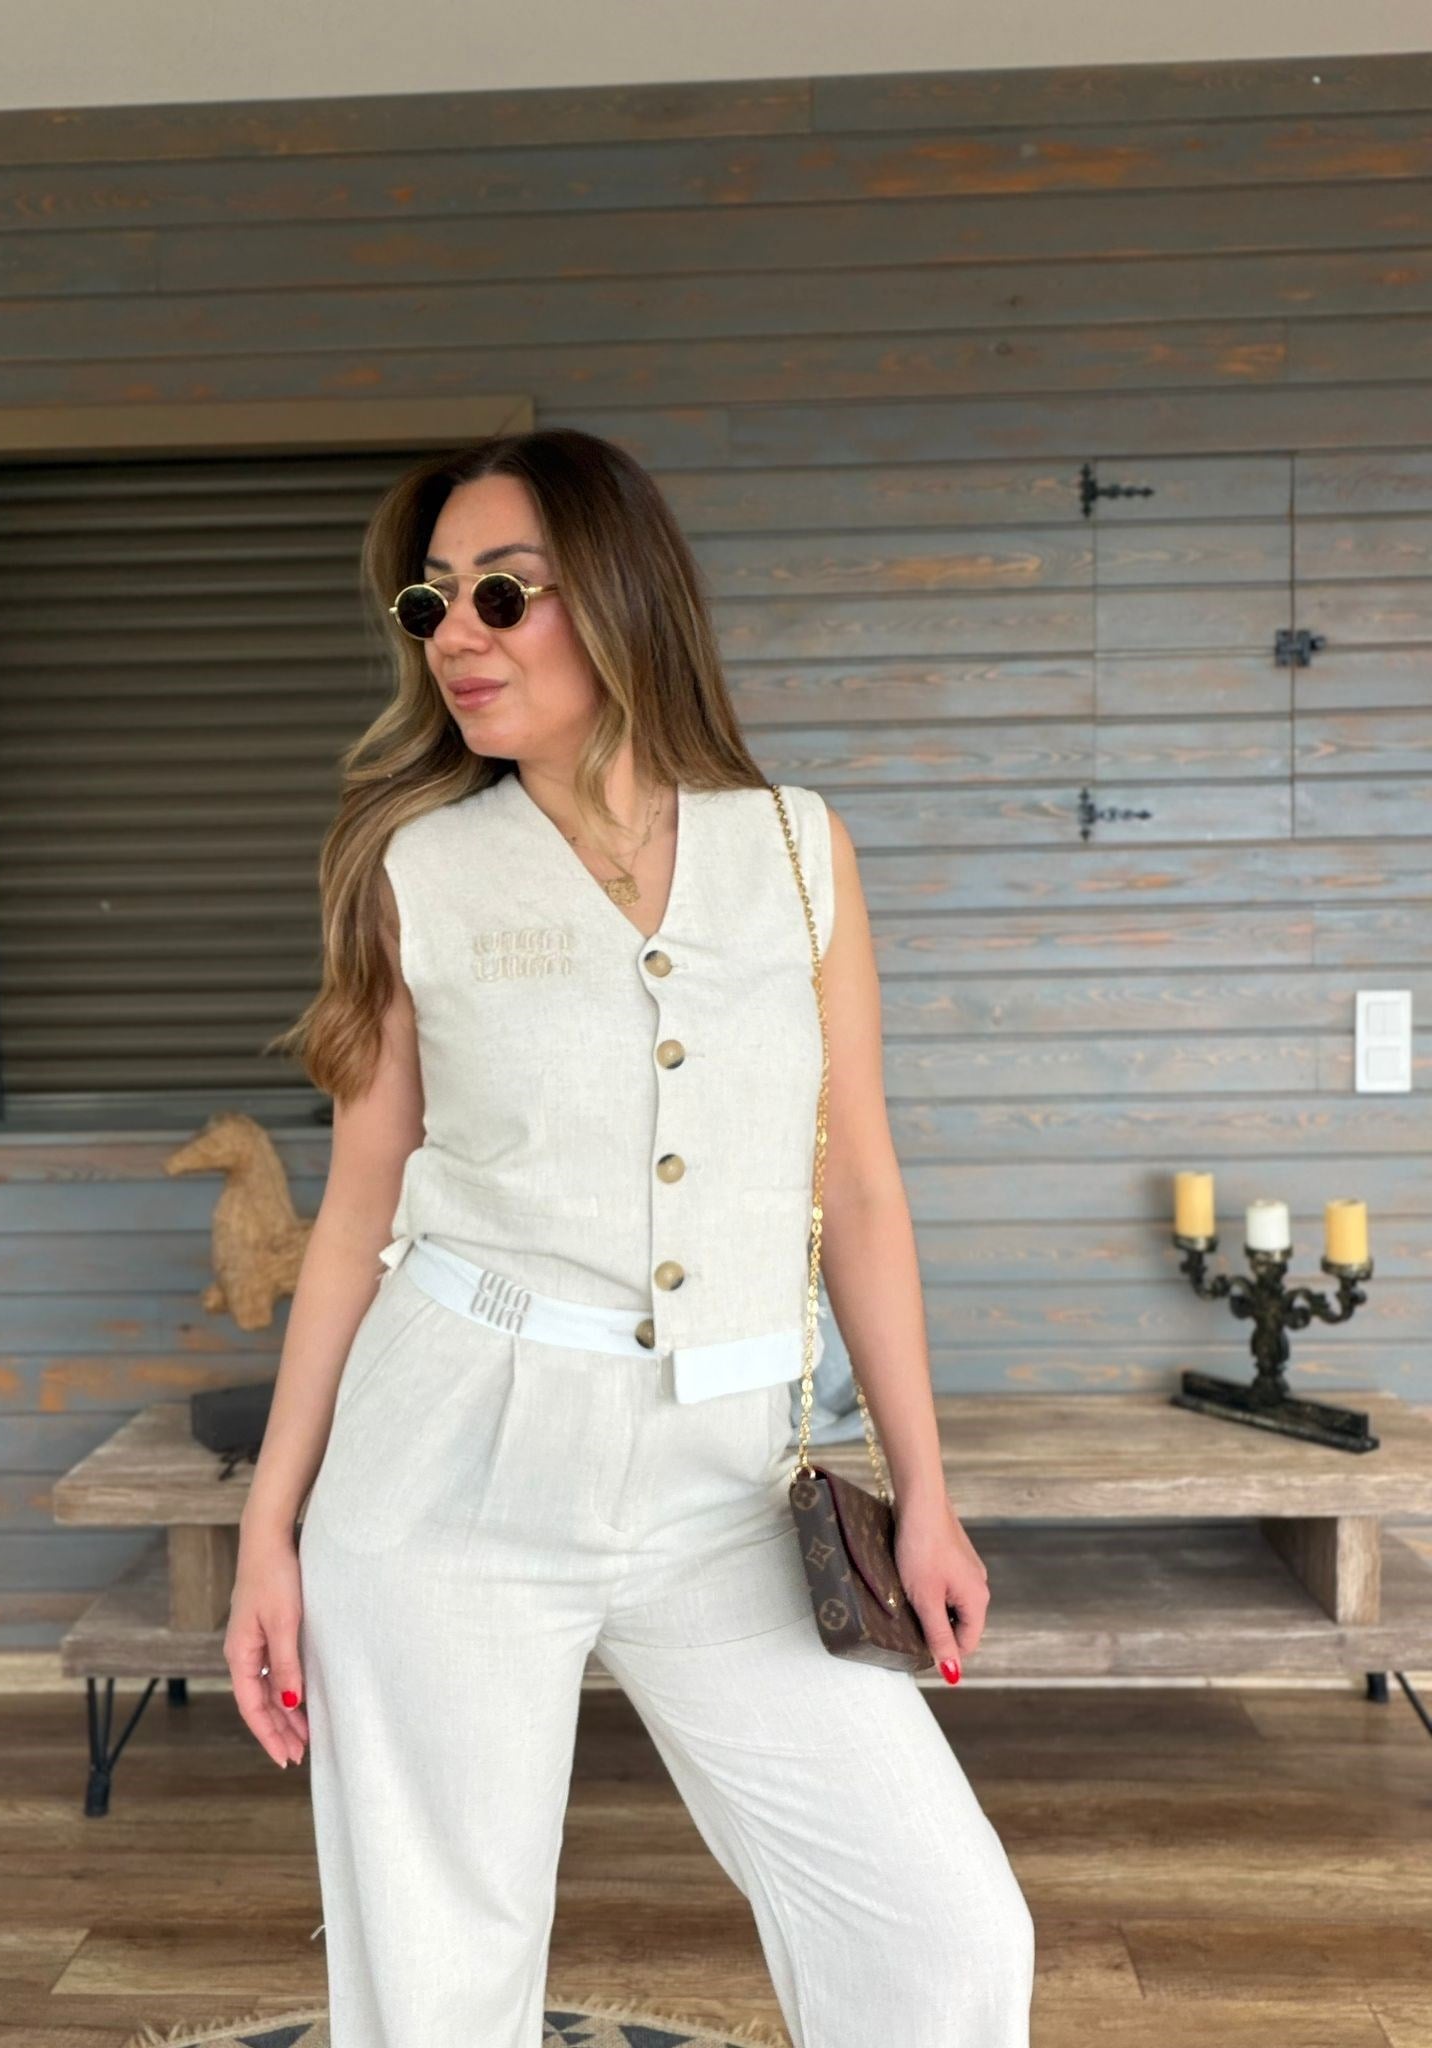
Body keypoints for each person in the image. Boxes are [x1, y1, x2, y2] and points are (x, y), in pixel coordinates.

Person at [224, 427, 1035, 2048]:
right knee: (441, 1983)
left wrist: (928, 1493)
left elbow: (858, 1181)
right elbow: (358, 1212)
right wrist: (269, 1529)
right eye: (431, 601)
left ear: (620, 595)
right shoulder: (413, 870)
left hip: (724, 1483)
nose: (456, 635)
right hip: (447, 1463)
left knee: (941, 1933)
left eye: (503, 592)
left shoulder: (796, 849)